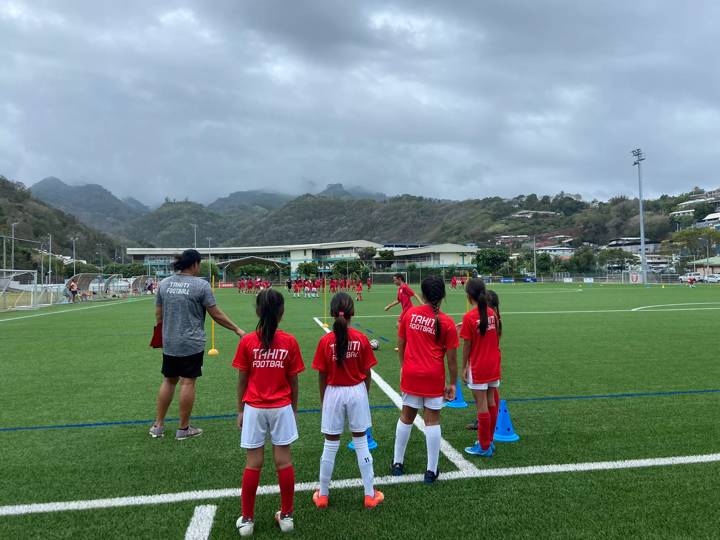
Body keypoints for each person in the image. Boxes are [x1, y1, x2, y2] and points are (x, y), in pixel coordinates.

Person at [149, 249, 245, 440]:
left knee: (169, 380)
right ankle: (183, 429)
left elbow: (158, 314)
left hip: (170, 341)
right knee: (187, 381)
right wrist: (237, 329)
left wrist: (163, 334)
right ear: (194, 264)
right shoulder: (201, 285)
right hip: (191, 342)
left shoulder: (165, 283)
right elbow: (216, 314)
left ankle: (157, 426)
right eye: (198, 264)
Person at [234, 289, 304, 536]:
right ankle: (286, 516)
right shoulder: (290, 341)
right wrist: (293, 410)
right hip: (281, 408)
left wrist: (240, 410)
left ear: (257, 311)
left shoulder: (247, 341)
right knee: (283, 461)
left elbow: (242, 379)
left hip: (254, 408)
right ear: (281, 313)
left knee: (253, 463)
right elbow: (293, 381)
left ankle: (248, 520)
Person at [311, 293, 384, 509]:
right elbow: (367, 372)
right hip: (356, 391)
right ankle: (370, 495)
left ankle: (323, 495)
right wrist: (364, 394)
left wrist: (324, 400)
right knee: (361, 442)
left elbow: (322, 375)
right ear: (353, 312)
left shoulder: (325, 341)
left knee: (330, 444)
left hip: (333, 393)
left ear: (332, 313)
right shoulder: (361, 338)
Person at [391, 276, 459, 483]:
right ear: (442, 296)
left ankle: (397, 463)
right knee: (432, 422)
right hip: (433, 377)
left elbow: (400, 344)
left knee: (406, 417)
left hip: (412, 374)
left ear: (421, 294)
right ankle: (431, 471)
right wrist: (453, 383)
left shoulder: (410, 314)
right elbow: (452, 360)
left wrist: (404, 366)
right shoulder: (446, 322)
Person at [460, 279, 501, 457]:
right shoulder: (491, 312)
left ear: (469, 296)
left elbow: (466, 346)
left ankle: (484, 446)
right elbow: (496, 336)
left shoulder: (469, 317)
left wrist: (464, 367)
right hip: (493, 364)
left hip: (479, 366)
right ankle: (488, 441)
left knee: (482, 406)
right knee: (491, 402)